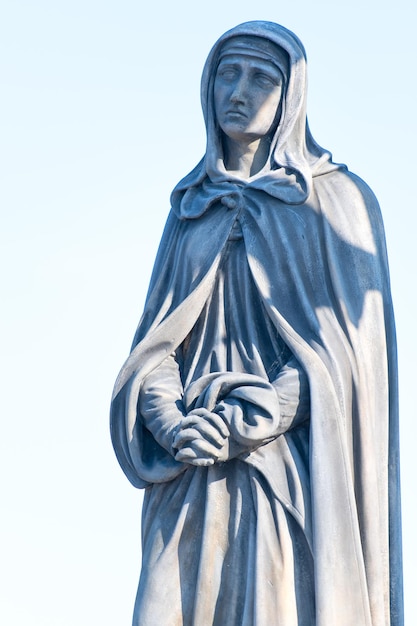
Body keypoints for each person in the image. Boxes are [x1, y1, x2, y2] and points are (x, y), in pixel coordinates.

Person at [110, 20, 403, 625]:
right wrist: (170, 423)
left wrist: (247, 420)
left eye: (261, 78)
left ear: (291, 96)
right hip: (189, 467)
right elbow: (156, 345)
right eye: (227, 73)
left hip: (281, 471)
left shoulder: (338, 202)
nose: (238, 92)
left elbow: (346, 360)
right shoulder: (192, 208)